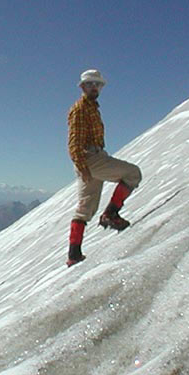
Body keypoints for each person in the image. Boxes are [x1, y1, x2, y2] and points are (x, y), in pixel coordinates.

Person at [66, 68, 141, 266]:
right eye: (90, 84)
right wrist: (82, 165)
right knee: (133, 174)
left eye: (97, 84)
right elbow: (74, 141)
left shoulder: (91, 108)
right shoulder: (81, 109)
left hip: (88, 160)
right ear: (82, 87)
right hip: (90, 159)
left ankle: (74, 255)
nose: (94, 87)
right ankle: (111, 214)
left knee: (85, 208)